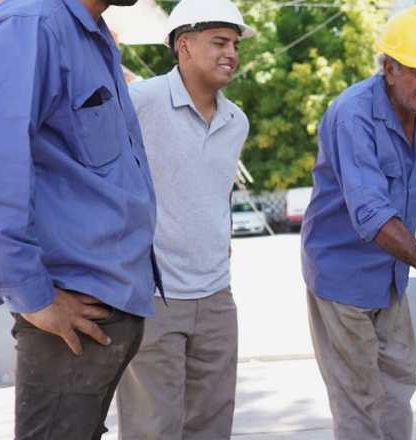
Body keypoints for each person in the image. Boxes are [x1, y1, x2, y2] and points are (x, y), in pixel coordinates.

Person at [0, 0, 158, 438]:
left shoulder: (92, 35)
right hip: (71, 310)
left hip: (102, 305)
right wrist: (34, 297)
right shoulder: (31, 24)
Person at [300, 5, 416, 439]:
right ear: (388, 67)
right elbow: (372, 215)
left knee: (398, 388)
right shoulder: (352, 114)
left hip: (390, 275)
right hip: (341, 276)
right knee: (358, 399)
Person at [115, 1, 253, 439]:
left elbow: (215, 197)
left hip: (216, 298)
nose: (230, 52)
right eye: (219, 42)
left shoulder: (237, 122)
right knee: (152, 430)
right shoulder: (140, 103)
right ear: (184, 46)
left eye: (234, 43)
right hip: (153, 298)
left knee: (213, 427)